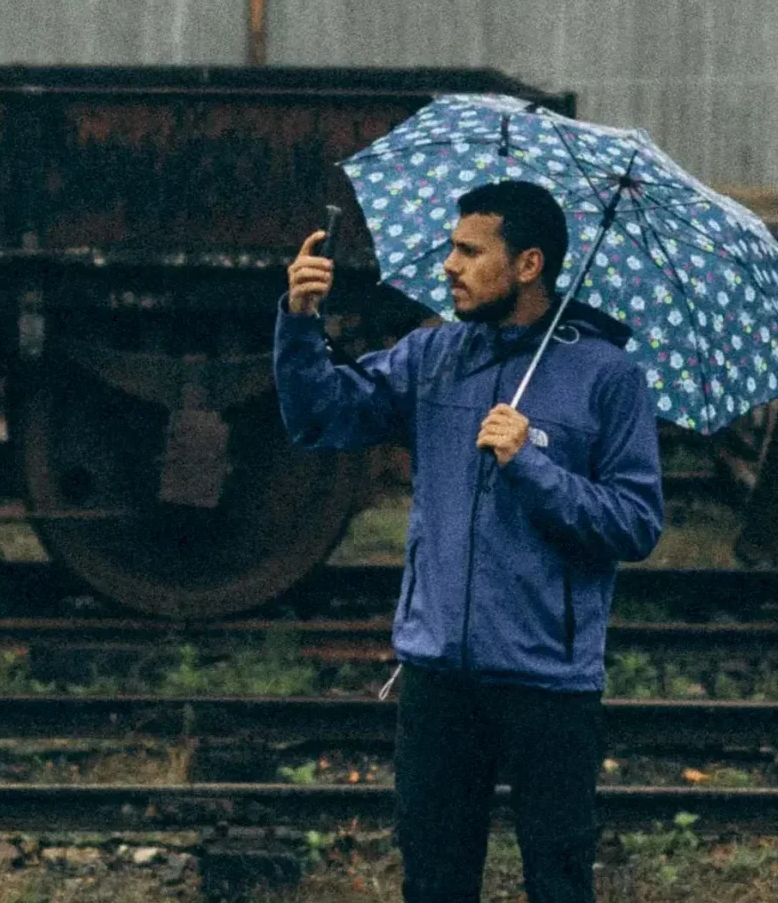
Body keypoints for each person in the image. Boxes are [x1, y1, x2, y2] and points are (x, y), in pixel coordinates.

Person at [274, 179, 664, 903]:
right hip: (438, 674)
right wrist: (300, 322)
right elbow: (320, 417)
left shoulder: (607, 377)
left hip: (548, 679)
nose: (449, 265)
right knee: (434, 880)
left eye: (468, 251)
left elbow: (634, 524)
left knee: (556, 877)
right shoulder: (434, 356)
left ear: (528, 265)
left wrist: (531, 466)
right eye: (451, 248)